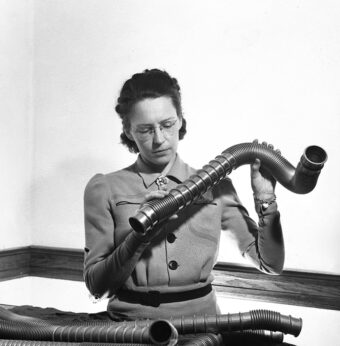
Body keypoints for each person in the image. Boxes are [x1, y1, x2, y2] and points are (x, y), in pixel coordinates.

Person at [83, 68, 284, 321]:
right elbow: (96, 286)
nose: (159, 140)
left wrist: (266, 200)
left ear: (180, 120)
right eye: (145, 130)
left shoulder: (217, 185)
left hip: (203, 330)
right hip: (129, 331)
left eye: (167, 125)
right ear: (128, 131)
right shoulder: (104, 188)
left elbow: (271, 265)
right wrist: (138, 238)